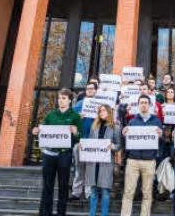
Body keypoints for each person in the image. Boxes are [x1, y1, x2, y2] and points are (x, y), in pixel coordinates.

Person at [32, 88, 82, 216]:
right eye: (59, 98)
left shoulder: (75, 117)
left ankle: (61, 213)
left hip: (64, 155)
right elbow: (43, 133)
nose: (61, 101)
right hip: (49, 155)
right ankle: (45, 213)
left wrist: (76, 132)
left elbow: (80, 137)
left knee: (63, 186)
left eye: (64, 98)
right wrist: (36, 131)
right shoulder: (50, 115)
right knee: (47, 185)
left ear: (70, 100)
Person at [121, 95, 164, 216]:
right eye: (141, 103)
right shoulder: (132, 121)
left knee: (147, 193)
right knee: (128, 192)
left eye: (146, 102)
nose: (144, 104)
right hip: (133, 161)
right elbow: (127, 142)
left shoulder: (156, 121)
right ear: (138, 105)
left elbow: (160, 142)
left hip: (149, 161)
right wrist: (124, 134)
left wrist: (160, 136)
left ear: (150, 105)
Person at [83, 104, 121, 216]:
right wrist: (83, 146)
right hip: (93, 163)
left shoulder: (115, 127)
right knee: (93, 191)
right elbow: (90, 141)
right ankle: (92, 214)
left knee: (105, 191)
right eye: (100, 111)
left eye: (104, 110)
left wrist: (112, 146)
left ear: (109, 112)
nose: (101, 112)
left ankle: (104, 214)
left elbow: (119, 145)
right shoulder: (94, 126)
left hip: (106, 163)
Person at [71, 81, 97, 200]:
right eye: (88, 89)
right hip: (80, 142)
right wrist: (78, 117)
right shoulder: (79, 104)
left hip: (93, 142)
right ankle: (76, 192)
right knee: (79, 168)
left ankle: (89, 193)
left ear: (96, 90)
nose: (90, 91)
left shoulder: (100, 105)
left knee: (90, 169)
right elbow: (70, 119)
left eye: (92, 89)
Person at [162, 86, 175, 160]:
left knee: (173, 157)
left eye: (172, 92)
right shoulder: (161, 106)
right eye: (168, 92)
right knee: (164, 158)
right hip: (164, 134)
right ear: (165, 94)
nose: (169, 93)